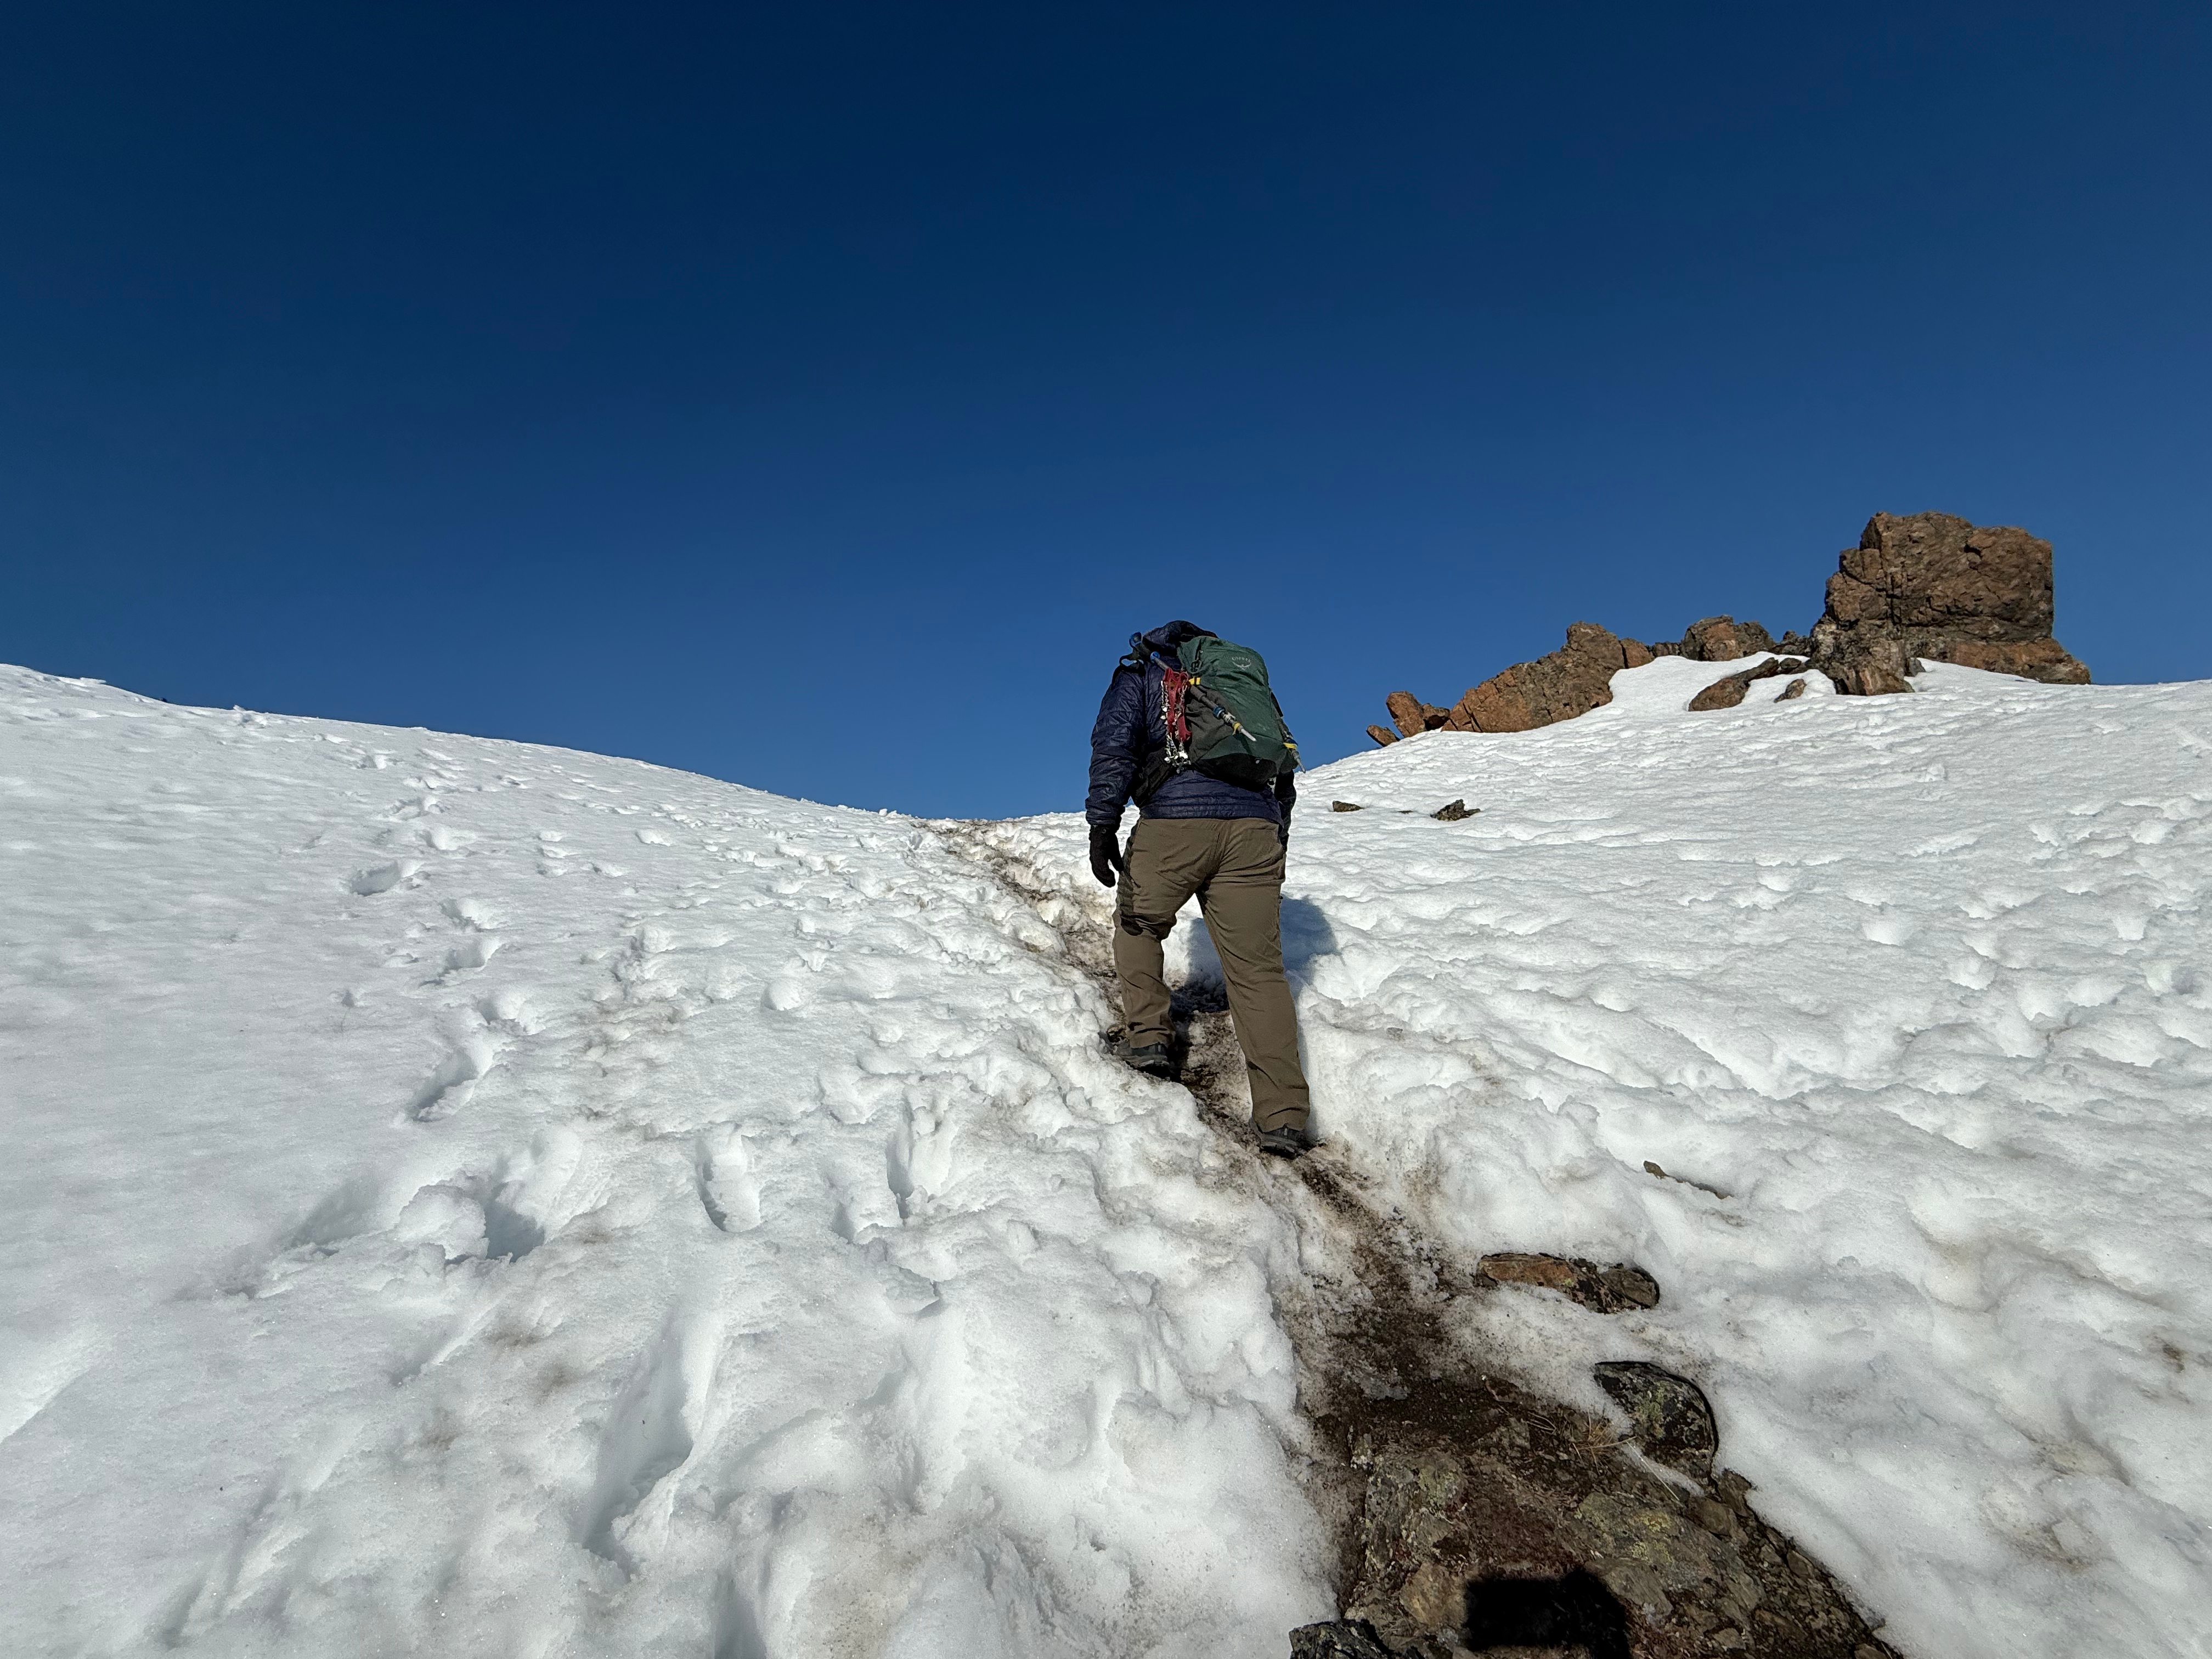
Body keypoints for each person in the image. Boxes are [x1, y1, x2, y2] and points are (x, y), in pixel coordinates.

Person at [1085, 620, 1313, 1158]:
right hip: (1254, 829)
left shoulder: (1145, 672)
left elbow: (1114, 748)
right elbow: (1283, 764)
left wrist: (1103, 825)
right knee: (1258, 973)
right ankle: (1283, 1117)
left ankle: (1148, 1038)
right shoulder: (1246, 683)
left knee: (1138, 923)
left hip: (1175, 823)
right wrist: (1274, 831)